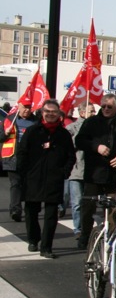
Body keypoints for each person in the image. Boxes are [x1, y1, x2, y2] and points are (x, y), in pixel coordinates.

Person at [17, 100, 76, 258]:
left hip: (54, 180)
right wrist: (23, 173)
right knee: (31, 212)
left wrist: (64, 172)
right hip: (33, 179)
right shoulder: (32, 131)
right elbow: (22, 152)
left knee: (51, 215)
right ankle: (33, 239)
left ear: (59, 114)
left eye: (54, 112)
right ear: (42, 113)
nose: (50, 114)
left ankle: (46, 247)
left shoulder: (63, 135)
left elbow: (71, 156)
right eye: (47, 111)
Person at [74, 93, 116, 249]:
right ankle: (84, 235)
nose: (105, 109)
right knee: (88, 206)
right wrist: (96, 146)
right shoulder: (91, 122)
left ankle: (110, 238)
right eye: (103, 106)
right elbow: (79, 141)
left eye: (109, 107)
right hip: (94, 173)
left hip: (115, 174)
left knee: (114, 208)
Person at [1, 98, 36, 221]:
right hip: (12, 157)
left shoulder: (36, 122)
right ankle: (15, 210)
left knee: (27, 185)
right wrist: (5, 133)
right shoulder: (9, 120)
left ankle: (29, 209)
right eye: (24, 107)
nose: (26, 110)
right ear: (19, 107)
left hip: (30, 159)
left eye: (29, 107)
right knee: (15, 184)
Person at [66, 104, 96, 239]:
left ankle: (85, 229)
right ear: (82, 112)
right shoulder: (71, 128)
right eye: (91, 111)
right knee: (77, 202)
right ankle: (77, 229)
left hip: (91, 171)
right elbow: (68, 145)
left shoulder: (96, 128)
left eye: (95, 110)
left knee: (88, 203)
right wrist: (81, 135)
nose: (94, 113)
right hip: (76, 170)